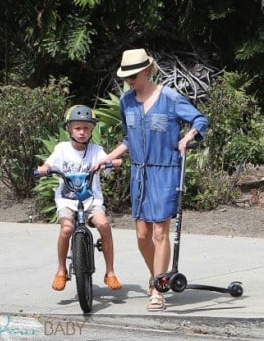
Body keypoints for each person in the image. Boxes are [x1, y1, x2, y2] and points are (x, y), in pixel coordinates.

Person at [94, 48, 208, 312]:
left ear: (147, 70)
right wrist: (107, 157)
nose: (130, 80)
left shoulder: (169, 97)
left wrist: (187, 137)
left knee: (159, 232)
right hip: (140, 172)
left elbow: (200, 120)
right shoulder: (126, 102)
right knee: (142, 235)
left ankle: (158, 289)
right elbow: (128, 138)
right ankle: (156, 275)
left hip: (166, 170)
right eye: (126, 76)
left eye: (134, 74)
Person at [37, 105, 122, 293]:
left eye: (86, 128)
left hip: (91, 201)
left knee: (104, 226)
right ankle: (61, 270)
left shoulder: (96, 150)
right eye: (77, 128)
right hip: (67, 201)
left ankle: (110, 272)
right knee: (66, 229)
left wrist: (113, 163)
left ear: (92, 130)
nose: (82, 132)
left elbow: (107, 162)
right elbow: (49, 163)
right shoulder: (61, 149)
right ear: (69, 129)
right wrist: (44, 168)